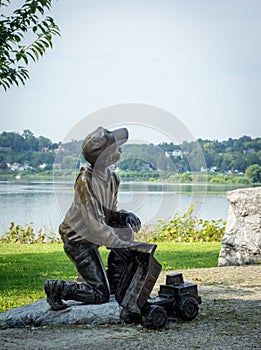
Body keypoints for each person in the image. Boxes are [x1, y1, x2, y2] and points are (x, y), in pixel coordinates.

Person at [44, 127, 141, 310]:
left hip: (95, 235)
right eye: (116, 147)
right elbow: (95, 223)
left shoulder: (113, 178)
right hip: (79, 241)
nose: (120, 148)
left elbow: (109, 214)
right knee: (99, 294)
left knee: (125, 231)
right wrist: (120, 245)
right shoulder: (86, 180)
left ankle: (115, 283)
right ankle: (57, 288)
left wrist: (124, 216)